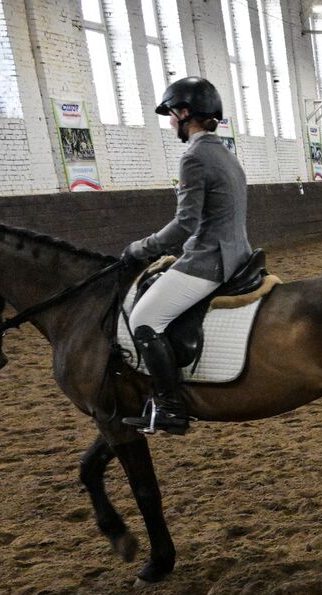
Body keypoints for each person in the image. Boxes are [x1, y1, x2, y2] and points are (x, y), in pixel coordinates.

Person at [120, 76, 251, 435]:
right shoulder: (225, 153)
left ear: (185, 113)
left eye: (171, 115)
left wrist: (141, 248)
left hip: (209, 260)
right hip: (238, 253)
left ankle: (169, 406)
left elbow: (185, 224)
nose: (169, 123)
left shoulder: (194, 156)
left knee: (144, 319)